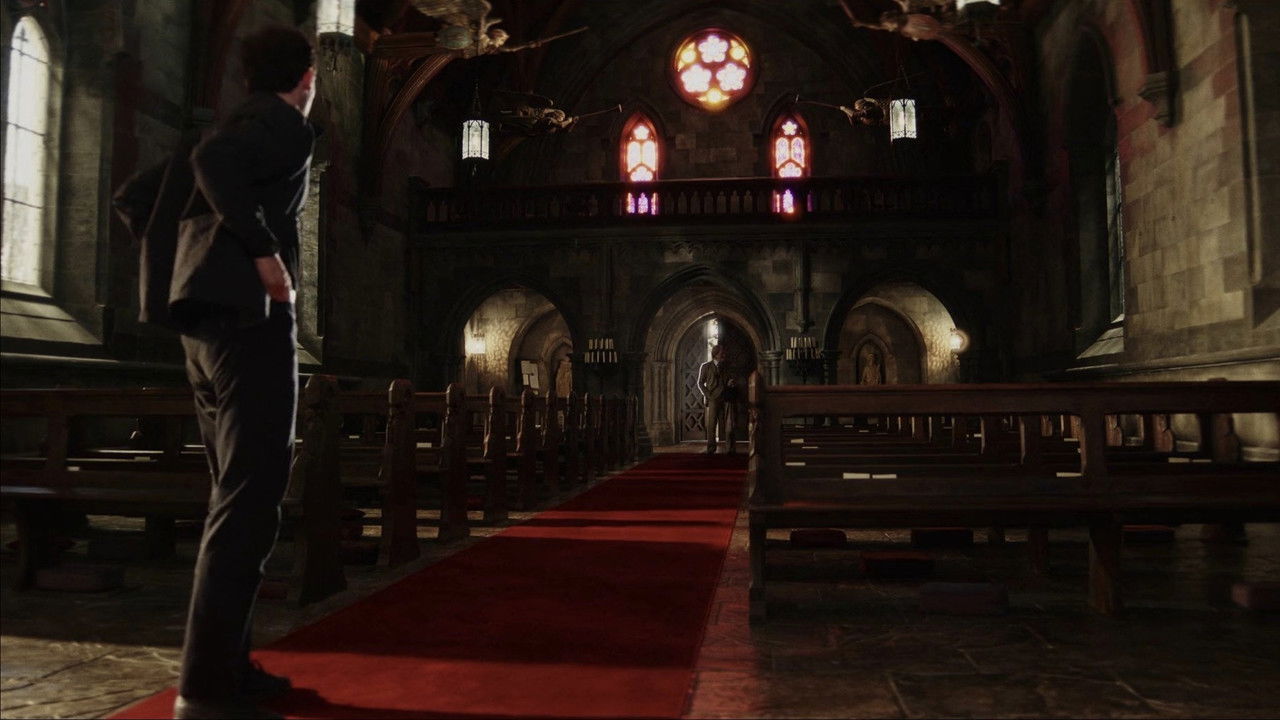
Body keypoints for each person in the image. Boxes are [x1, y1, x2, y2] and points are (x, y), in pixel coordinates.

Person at [115, 24, 317, 720]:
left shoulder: (227, 122)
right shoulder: (283, 125)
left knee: (233, 498)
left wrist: (188, 272)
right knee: (250, 501)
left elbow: (136, 198)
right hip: (250, 329)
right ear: (307, 79)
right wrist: (261, 255)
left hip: (202, 333)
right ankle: (205, 688)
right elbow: (217, 164)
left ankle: (229, 665)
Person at [697, 344, 737, 455]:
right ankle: (711, 449)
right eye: (721, 353)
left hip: (726, 399)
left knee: (729, 424)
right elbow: (700, 383)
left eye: (724, 353)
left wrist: (731, 383)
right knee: (712, 425)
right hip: (713, 399)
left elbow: (730, 379)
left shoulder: (726, 367)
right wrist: (708, 395)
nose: (724, 355)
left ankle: (730, 449)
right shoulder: (706, 367)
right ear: (715, 354)